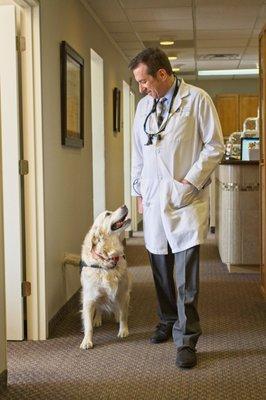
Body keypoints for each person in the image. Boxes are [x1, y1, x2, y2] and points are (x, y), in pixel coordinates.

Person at [129, 48, 224, 369]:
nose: (141, 88)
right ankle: (167, 320)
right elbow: (138, 154)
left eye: (144, 81)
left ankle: (186, 339)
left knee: (185, 277)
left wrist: (191, 182)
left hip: (186, 199)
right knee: (159, 270)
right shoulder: (143, 106)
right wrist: (138, 190)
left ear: (162, 74)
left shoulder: (197, 100)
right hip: (154, 200)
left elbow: (215, 146)